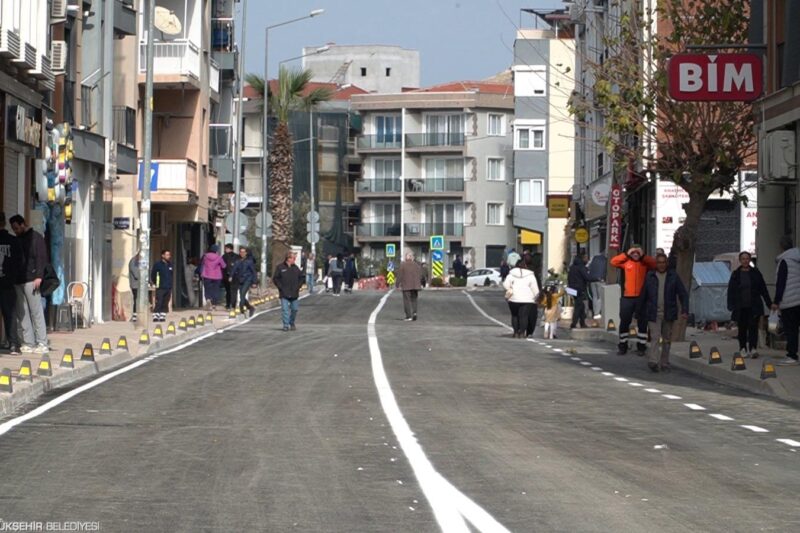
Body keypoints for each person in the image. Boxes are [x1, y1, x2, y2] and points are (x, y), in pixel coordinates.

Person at [639, 253, 689, 372]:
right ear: (656, 264)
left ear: (666, 263)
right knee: (655, 337)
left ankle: (664, 362)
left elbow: (683, 294)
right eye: (659, 262)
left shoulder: (673, 276)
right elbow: (643, 295)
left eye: (663, 262)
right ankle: (653, 361)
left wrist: (685, 310)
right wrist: (639, 311)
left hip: (668, 312)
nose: (661, 265)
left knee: (666, 339)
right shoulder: (650, 276)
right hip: (653, 313)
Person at [9, 215, 49, 354]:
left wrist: (39, 276)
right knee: (22, 313)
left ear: (23, 224)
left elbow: (41, 257)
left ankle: (42, 342)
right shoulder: (16, 240)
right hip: (18, 280)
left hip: (32, 279)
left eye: (16, 227)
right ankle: (28, 342)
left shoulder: (36, 237)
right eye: (13, 228)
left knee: (36, 311)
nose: (15, 230)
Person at [611, 245, 657, 355]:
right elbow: (613, 262)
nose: (635, 255)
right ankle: (623, 345)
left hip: (641, 297)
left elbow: (654, 264)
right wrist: (626, 254)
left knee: (642, 322)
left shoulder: (644, 264)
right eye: (633, 253)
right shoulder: (626, 263)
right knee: (624, 321)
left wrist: (643, 256)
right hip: (627, 297)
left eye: (637, 253)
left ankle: (641, 347)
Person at [727, 251, 771, 359]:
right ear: (740, 260)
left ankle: (753, 348)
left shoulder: (756, 273)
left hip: (753, 305)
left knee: (753, 327)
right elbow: (731, 290)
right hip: (740, 306)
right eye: (743, 259)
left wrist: (769, 303)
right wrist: (730, 304)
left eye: (747, 258)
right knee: (742, 328)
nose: (745, 261)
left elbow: (763, 289)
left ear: (750, 260)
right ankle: (742, 348)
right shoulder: (736, 274)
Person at [772, 236, 800, 366]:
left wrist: (776, 301)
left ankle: (792, 356)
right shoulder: (797, 259)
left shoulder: (784, 261)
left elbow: (781, 283)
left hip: (789, 301)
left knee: (791, 330)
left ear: (781, 247)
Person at [503, 254, 540, 338]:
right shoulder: (531, 275)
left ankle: (515, 332)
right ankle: (522, 333)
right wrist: (537, 297)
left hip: (513, 298)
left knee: (515, 315)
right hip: (527, 299)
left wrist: (510, 289)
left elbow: (505, 284)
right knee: (524, 316)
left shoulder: (511, 274)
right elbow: (535, 289)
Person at [0, 213, 22, 354]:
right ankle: (13, 343)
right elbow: (19, 262)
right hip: (8, 283)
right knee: (10, 314)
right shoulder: (13, 241)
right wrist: (13, 278)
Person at [273, 251, 304, 331]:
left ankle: (291, 322)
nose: (294, 260)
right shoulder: (280, 267)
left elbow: (301, 277)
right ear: (288, 258)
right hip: (284, 292)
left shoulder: (295, 268)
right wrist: (280, 287)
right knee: (285, 309)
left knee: (294, 309)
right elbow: (276, 278)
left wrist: (298, 286)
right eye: (293, 258)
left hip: (294, 292)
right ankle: (286, 325)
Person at [567, 254, 595, 329]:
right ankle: (574, 323)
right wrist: (597, 278)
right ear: (582, 259)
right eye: (586, 258)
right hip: (579, 289)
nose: (587, 260)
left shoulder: (572, 267)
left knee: (580, 306)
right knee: (578, 306)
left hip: (572, 289)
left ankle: (582, 323)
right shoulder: (581, 267)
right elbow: (587, 277)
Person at [199, 244, 227, 311]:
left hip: (207, 275)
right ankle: (214, 305)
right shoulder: (219, 257)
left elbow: (201, 263)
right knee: (216, 290)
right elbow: (224, 266)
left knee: (207, 289)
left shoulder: (205, 256)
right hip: (217, 276)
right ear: (216, 250)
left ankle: (208, 299)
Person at [397, 252, 423, 321]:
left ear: (406, 257)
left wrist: (397, 284)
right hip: (416, 286)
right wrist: (420, 283)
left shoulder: (403, 265)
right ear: (411, 258)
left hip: (406, 286)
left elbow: (399, 275)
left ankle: (409, 316)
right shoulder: (417, 265)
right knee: (414, 300)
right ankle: (414, 313)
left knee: (407, 301)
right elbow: (420, 275)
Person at [232, 246, 256, 317]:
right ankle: (250, 307)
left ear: (246, 253)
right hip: (240, 279)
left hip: (248, 279)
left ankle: (241, 308)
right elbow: (234, 269)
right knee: (241, 293)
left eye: (243, 252)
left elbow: (253, 272)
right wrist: (231, 276)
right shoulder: (238, 261)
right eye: (241, 252)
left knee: (242, 294)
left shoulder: (249, 261)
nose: (242, 253)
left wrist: (254, 282)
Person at [151, 249, 173, 322]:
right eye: (167, 255)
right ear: (162, 255)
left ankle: (162, 315)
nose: (168, 256)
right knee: (159, 301)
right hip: (160, 286)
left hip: (168, 286)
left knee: (165, 302)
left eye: (169, 255)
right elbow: (153, 274)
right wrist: (155, 283)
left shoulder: (170, 264)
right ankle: (156, 315)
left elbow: (171, 275)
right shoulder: (158, 265)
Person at [588, 252, 607, 319]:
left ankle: (595, 312)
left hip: (592, 280)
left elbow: (589, 268)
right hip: (600, 280)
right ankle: (597, 313)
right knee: (600, 297)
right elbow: (605, 270)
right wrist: (603, 278)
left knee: (595, 297)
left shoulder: (594, 259)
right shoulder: (605, 260)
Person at [222, 243, 239, 310]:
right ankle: (233, 305)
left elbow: (222, 266)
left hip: (226, 276)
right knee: (234, 290)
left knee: (228, 291)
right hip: (235, 276)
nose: (225, 250)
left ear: (229, 249)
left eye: (226, 248)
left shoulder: (224, 256)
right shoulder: (237, 256)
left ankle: (228, 304)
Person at [128, 252, 140, 322]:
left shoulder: (139, 262)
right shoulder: (133, 261)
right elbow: (136, 274)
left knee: (138, 300)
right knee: (136, 299)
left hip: (139, 284)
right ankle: (135, 315)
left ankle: (137, 314)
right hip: (135, 284)